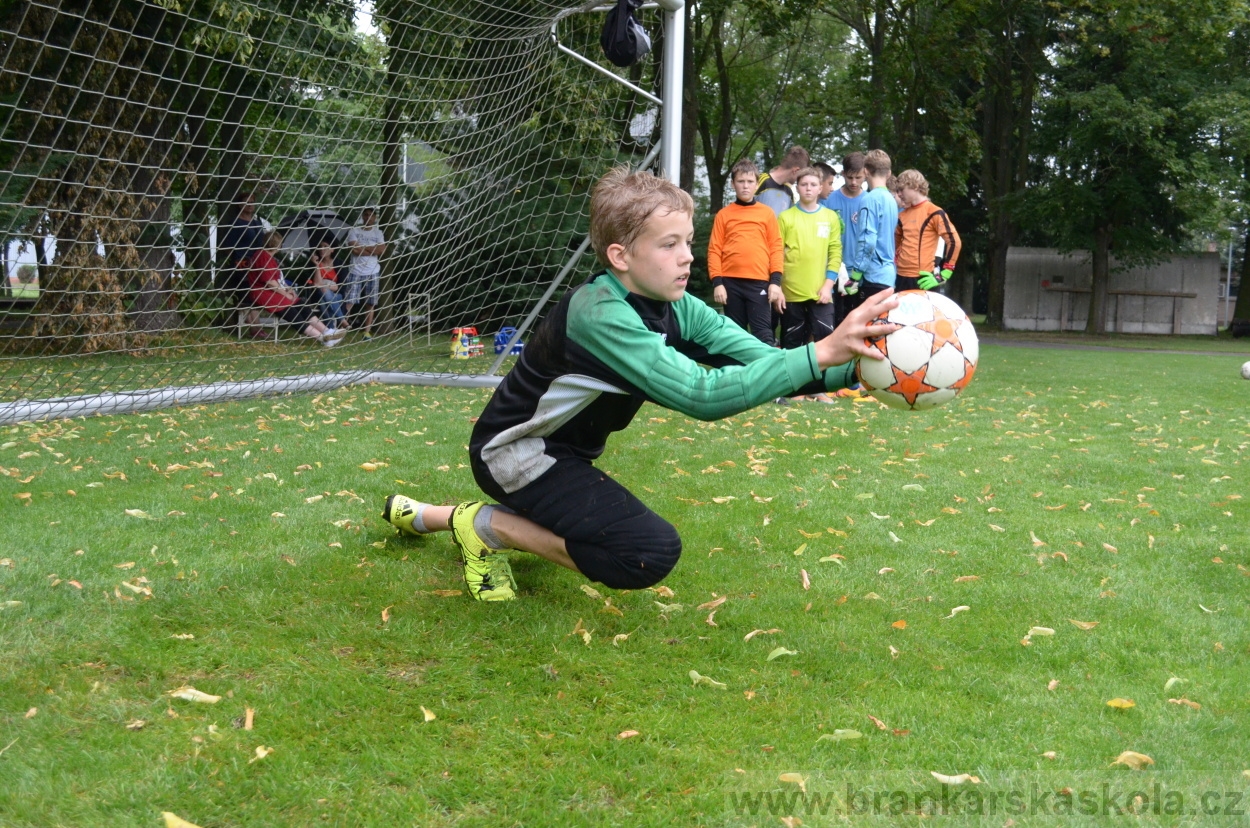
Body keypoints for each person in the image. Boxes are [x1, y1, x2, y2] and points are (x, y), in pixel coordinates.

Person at [381, 167, 900, 601]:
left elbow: (766, 362)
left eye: (688, 243)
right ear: (620, 256)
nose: (687, 257)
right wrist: (820, 352)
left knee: (607, 527)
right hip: (514, 455)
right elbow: (703, 394)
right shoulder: (599, 314)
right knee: (645, 552)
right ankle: (485, 526)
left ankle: (429, 516)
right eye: (669, 244)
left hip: (563, 455)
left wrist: (862, 365)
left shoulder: (677, 306)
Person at [707, 158, 785, 346]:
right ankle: (739, 373)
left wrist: (775, 282)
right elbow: (714, 249)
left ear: (757, 185)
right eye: (741, 181)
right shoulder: (724, 215)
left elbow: (776, 248)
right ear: (733, 184)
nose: (745, 186)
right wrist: (717, 283)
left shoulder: (766, 214)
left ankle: (768, 373)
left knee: (763, 333)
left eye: (750, 182)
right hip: (730, 283)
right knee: (735, 335)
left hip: (759, 282)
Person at [776, 167, 842, 354]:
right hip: (790, 293)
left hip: (820, 292)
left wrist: (828, 286)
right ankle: (794, 383)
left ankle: (824, 382)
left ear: (820, 188)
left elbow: (835, 253)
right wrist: (778, 287)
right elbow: (777, 254)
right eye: (803, 184)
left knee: (825, 341)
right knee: (792, 345)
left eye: (813, 185)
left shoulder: (830, 217)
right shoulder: (785, 218)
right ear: (797, 187)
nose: (808, 188)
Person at [247, 232, 342, 346]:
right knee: (293, 314)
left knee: (300, 305)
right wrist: (285, 294)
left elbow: (277, 279)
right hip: (264, 294)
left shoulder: (267, 256)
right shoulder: (263, 257)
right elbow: (270, 283)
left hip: (273, 292)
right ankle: (323, 339)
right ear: (277, 245)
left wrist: (288, 288)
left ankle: (327, 331)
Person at [893, 169, 961, 293]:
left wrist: (945, 273)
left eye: (901, 190)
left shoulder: (934, 212)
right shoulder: (902, 215)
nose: (899, 194)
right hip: (900, 278)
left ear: (914, 186)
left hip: (923, 278)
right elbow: (895, 245)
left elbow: (954, 241)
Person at [820, 152, 866, 327]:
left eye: (858, 177)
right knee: (835, 321)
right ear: (843, 174)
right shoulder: (829, 199)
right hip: (833, 270)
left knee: (855, 320)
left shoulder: (868, 200)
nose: (854, 182)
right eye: (850, 177)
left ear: (866, 175)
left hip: (858, 273)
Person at [847, 149, 898, 300]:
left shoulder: (869, 200)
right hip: (889, 277)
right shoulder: (891, 200)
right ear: (888, 173)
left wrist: (855, 276)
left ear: (866, 171)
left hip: (873, 277)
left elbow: (867, 240)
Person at [218, 192, 266, 329]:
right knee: (247, 293)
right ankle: (256, 327)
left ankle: (255, 326)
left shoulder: (257, 223)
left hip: (257, 263)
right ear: (240, 204)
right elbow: (228, 246)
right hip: (242, 264)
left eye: (252, 202)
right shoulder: (236, 223)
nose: (250, 205)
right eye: (247, 202)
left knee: (256, 292)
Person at [344, 206, 386, 339]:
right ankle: (342, 330)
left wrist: (362, 247)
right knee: (350, 301)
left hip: (373, 271)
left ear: (375, 218)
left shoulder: (378, 233)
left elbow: (381, 250)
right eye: (366, 215)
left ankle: (366, 332)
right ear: (362, 216)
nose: (368, 217)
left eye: (371, 215)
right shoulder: (354, 230)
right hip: (355, 271)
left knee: (370, 303)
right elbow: (353, 249)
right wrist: (372, 249)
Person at [756, 146, 810, 217]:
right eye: (800, 175)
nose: (799, 179)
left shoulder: (789, 191)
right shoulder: (760, 180)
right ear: (796, 170)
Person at [309, 240, 348, 329]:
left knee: (325, 298)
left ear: (332, 249)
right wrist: (316, 265)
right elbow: (316, 283)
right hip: (318, 295)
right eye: (320, 246)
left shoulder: (339, 264)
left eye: (325, 246)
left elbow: (340, 287)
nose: (322, 249)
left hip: (337, 295)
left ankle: (330, 331)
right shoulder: (314, 263)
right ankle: (341, 320)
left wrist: (325, 286)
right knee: (323, 299)